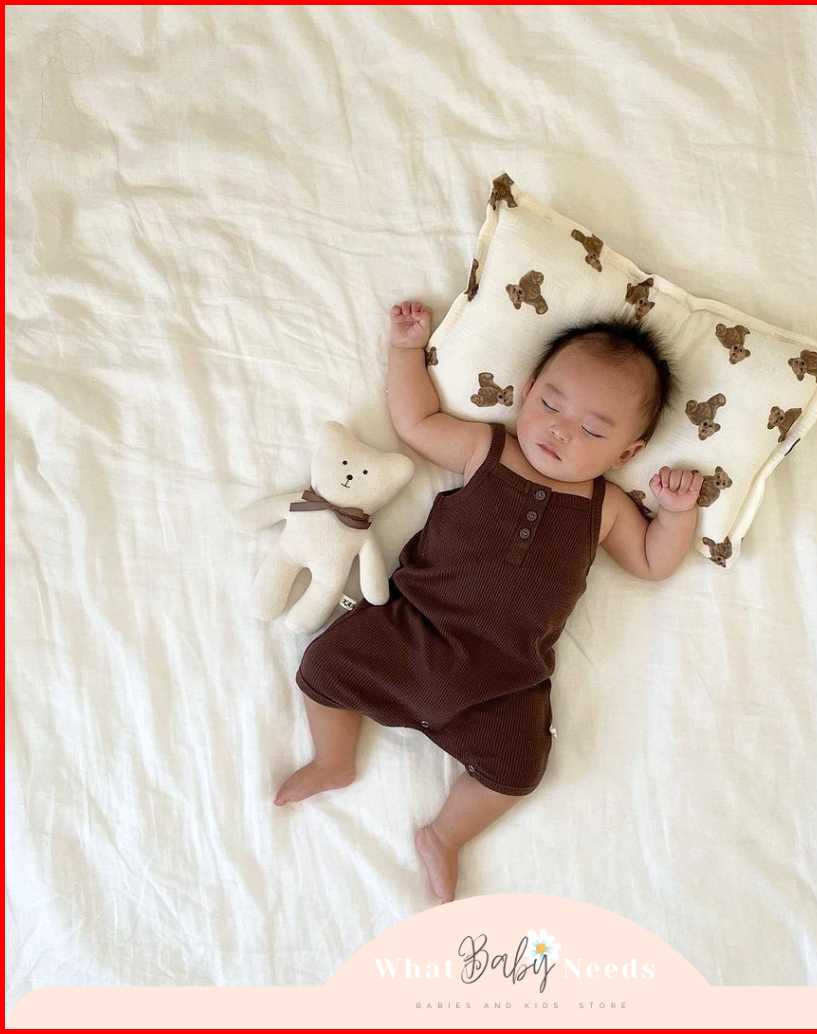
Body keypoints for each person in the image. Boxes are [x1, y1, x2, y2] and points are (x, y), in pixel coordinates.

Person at [274, 300, 704, 904]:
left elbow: (652, 562)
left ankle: (444, 836)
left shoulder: (604, 506)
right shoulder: (487, 449)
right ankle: (332, 760)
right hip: (413, 629)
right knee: (323, 667)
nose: (560, 430)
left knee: (518, 770)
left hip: (504, 679)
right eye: (551, 404)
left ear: (626, 454)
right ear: (526, 393)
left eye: (593, 430)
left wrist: (678, 515)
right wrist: (406, 350)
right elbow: (417, 422)